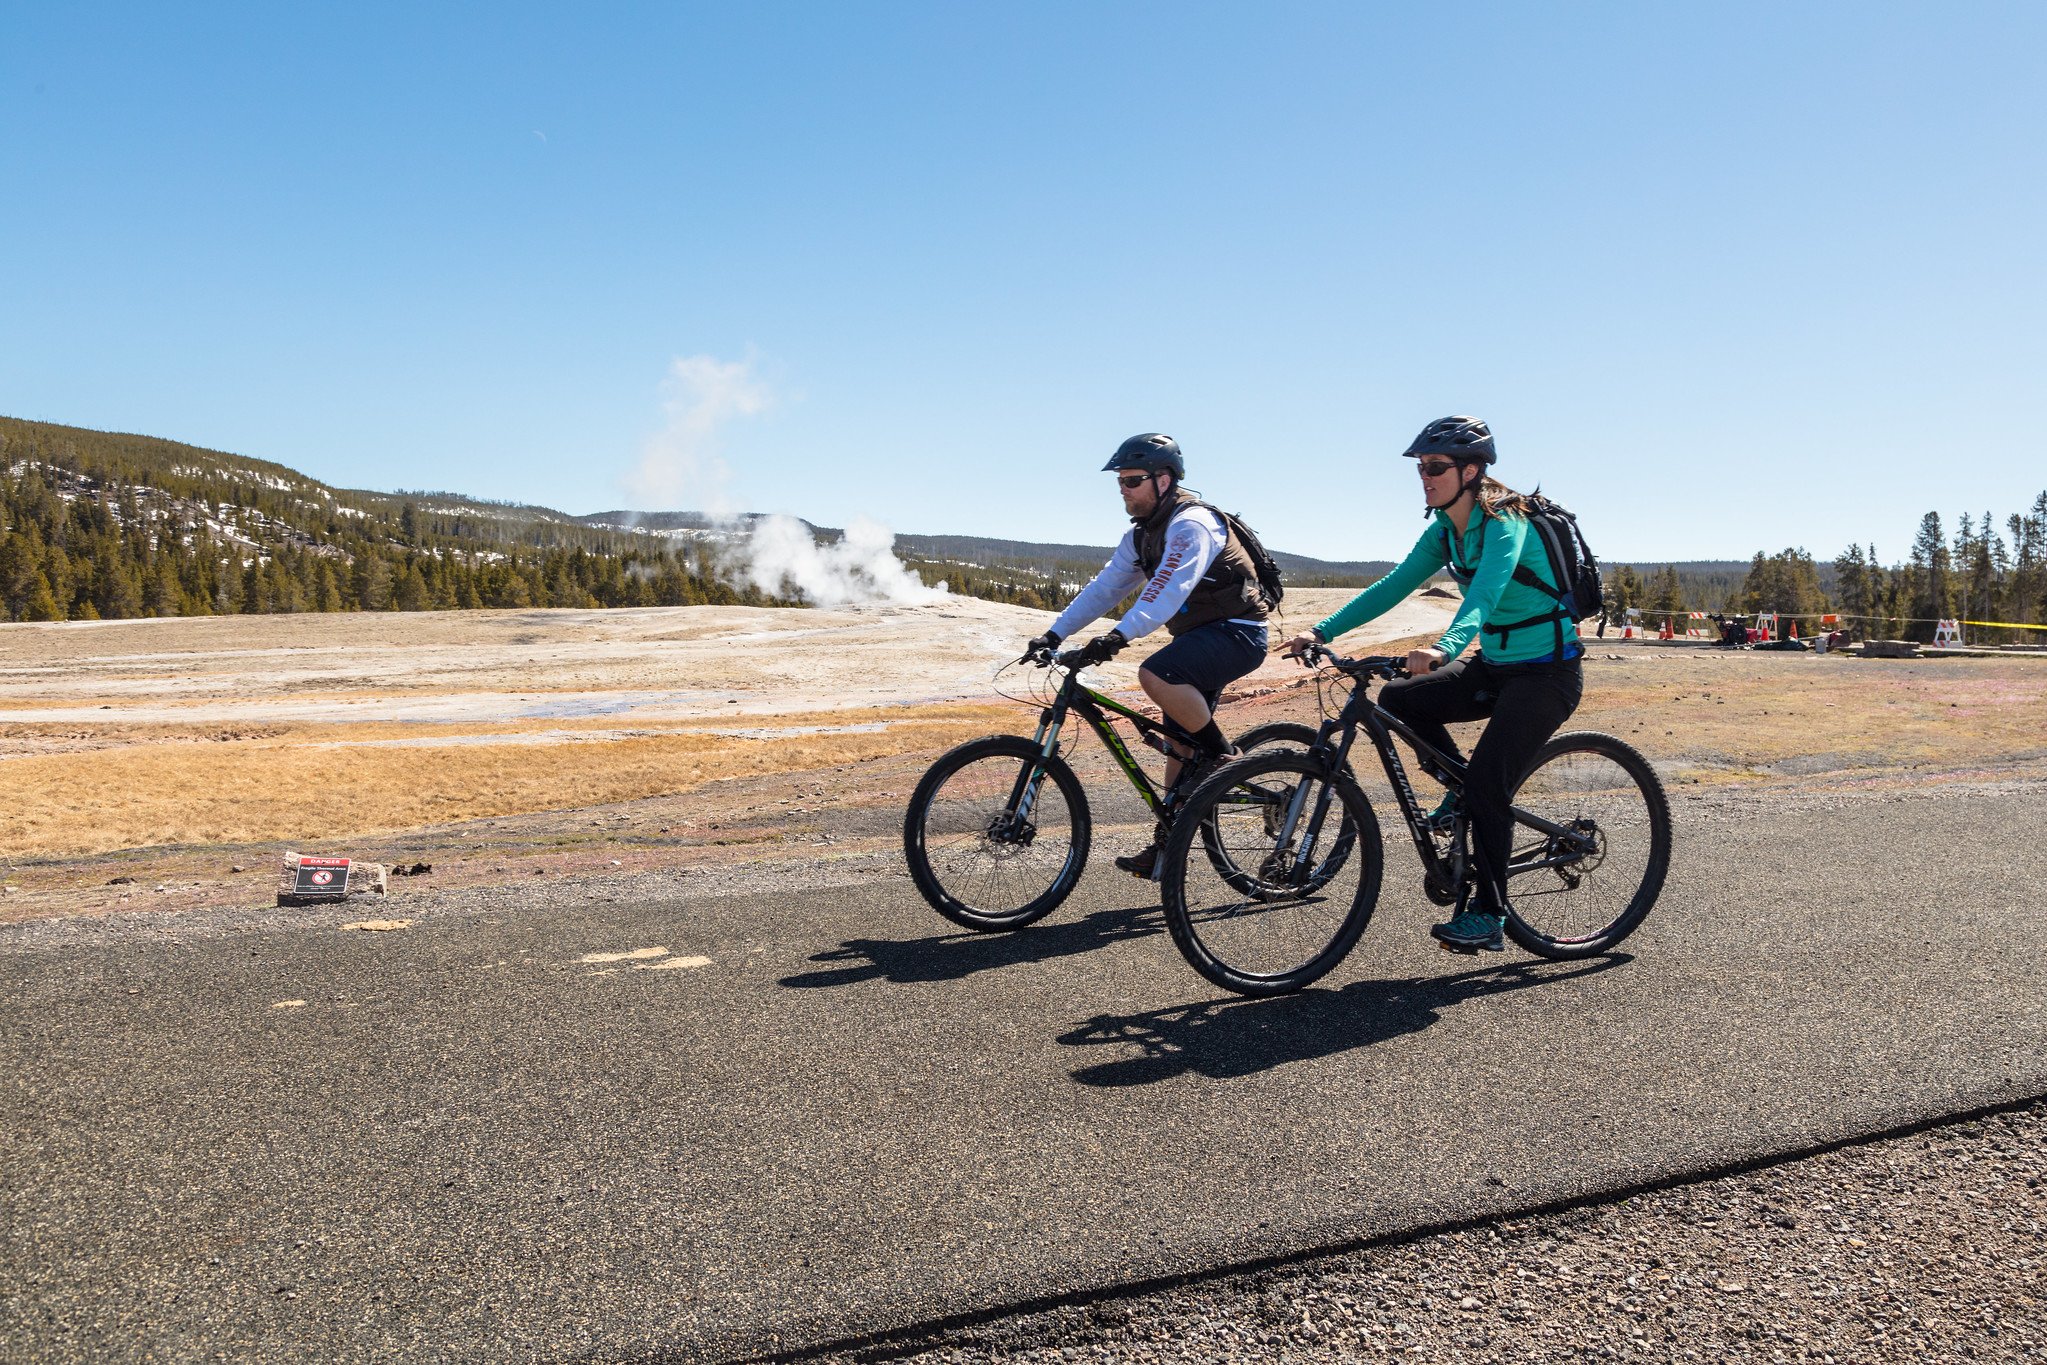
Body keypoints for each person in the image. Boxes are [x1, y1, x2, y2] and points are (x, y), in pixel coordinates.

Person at [1282, 416, 1583, 953]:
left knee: (1490, 785)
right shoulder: (1445, 529)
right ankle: (1459, 791)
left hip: (1547, 674)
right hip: (1496, 664)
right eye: (1421, 467)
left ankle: (1491, 914)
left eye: (1435, 466)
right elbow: (1394, 584)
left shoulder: (1504, 522)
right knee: (1400, 698)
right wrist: (1320, 631)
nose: (1425, 475)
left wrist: (1444, 648)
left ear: (1471, 471)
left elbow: (1484, 595)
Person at [1025, 434, 1272, 877]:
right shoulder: (1142, 536)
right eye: (1120, 481)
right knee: (1180, 746)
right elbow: (1106, 588)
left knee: (1157, 674)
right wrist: (1053, 634)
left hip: (1238, 633)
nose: (1124, 488)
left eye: (1133, 480)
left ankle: (1224, 759)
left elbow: (1167, 589)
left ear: (1165, 479)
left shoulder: (1191, 525)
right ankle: (1166, 848)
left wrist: (1118, 638)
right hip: (1198, 639)